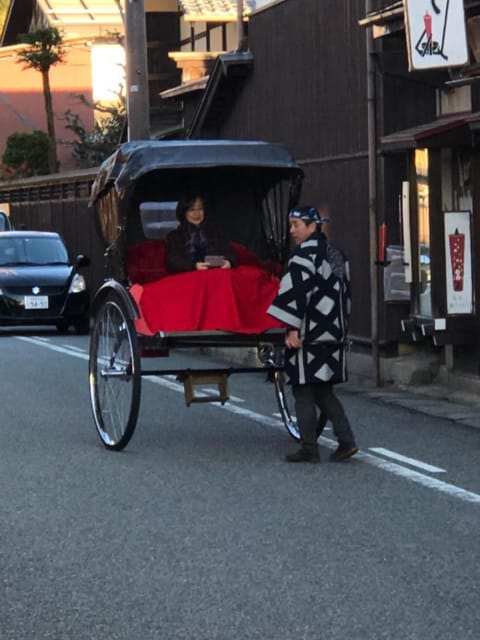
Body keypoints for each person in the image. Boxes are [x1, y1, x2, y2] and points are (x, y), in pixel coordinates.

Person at [268, 205, 358, 463]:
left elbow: (295, 294)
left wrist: (291, 328)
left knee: (303, 389)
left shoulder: (302, 257)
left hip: (308, 335)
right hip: (333, 334)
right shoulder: (337, 255)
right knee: (324, 391)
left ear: (312, 226)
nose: (292, 230)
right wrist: (343, 326)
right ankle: (346, 441)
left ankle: (309, 447)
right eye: (291, 225)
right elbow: (347, 295)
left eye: (297, 224)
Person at [165, 194, 236, 273]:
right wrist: (194, 266)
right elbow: (173, 262)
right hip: (188, 276)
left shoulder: (216, 232)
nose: (197, 214)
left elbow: (229, 254)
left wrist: (228, 262)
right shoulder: (174, 236)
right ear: (184, 212)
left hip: (215, 273)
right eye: (192, 210)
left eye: (200, 209)